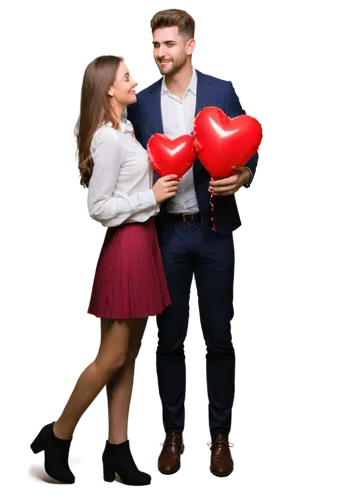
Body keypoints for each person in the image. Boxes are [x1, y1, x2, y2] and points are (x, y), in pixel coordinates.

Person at [28, 54, 179, 488]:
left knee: (129, 356)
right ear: (108, 89)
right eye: (126, 77)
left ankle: (118, 454)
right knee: (111, 356)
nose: (135, 81)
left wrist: (148, 197)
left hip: (141, 244)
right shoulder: (108, 139)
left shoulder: (125, 131)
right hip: (127, 247)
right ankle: (56, 438)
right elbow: (97, 209)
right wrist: (149, 197)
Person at [126, 7, 259, 479]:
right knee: (170, 339)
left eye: (167, 44)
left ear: (191, 45)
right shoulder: (140, 100)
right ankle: (173, 435)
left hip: (215, 231)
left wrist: (243, 176)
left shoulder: (223, 91)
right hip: (164, 233)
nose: (158, 53)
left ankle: (220, 437)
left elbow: (250, 151)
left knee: (221, 338)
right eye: (154, 45)